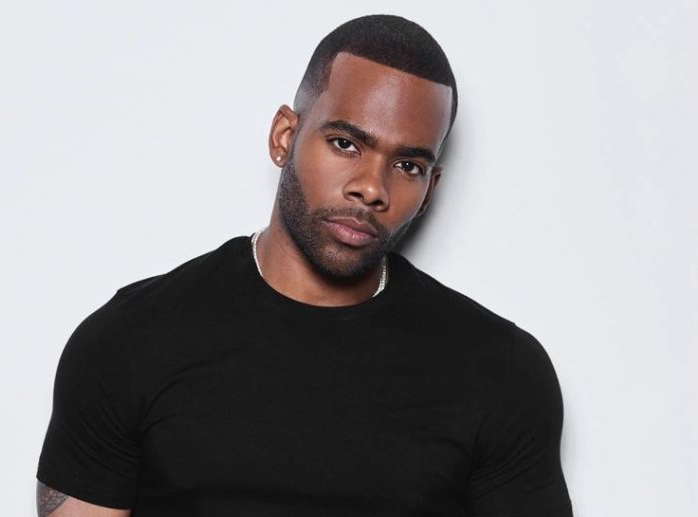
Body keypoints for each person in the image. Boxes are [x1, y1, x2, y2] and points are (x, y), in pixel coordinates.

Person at [36, 14, 573, 517]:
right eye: (345, 143)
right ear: (285, 137)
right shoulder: (130, 342)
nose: (371, 187)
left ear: (430, 188)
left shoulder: (500, 373)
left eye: (408, 165)